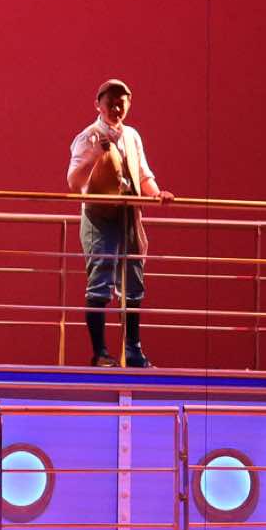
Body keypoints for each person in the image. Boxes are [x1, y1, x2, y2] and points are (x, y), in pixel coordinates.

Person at [66, 78, 172, 368]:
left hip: (129, 215)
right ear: (98, 105)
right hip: (100, 216)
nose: (116, 108)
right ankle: (100, 352)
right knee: (100, 281)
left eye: (121, 102)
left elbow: (143, 173)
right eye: (110, 102)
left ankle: (133, 350)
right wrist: (98, 157)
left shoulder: (132, 136)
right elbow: (74, 180)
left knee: (133, 282)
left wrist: (156, 194)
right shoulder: (88, 136)